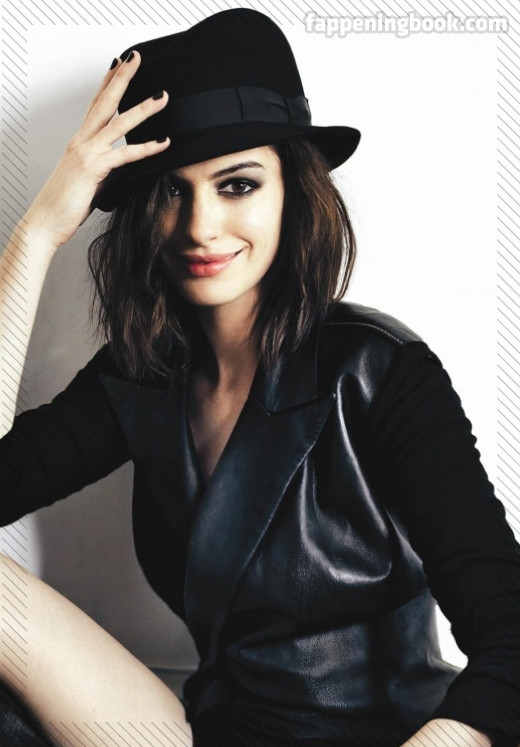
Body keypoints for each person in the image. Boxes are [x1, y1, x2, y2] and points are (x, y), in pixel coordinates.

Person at [0, 7, 519, 747]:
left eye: (237, 185)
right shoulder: (142, 372)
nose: (200, 226)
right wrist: (37, 235)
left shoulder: (381, 371)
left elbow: (510, 631)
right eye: (170, 191)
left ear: (291, 192)